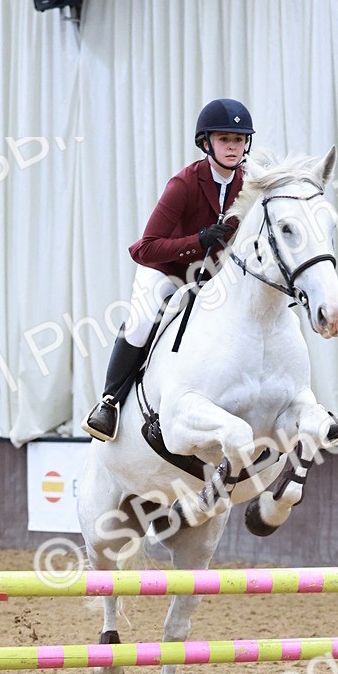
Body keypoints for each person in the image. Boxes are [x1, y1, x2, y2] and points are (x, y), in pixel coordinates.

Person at [83, 98, 255, 441]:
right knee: (143, 316)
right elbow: (146, 247)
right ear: (206, 143)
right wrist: (198, 240)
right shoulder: (184, 184)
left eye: (239, 140)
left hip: (217, 274)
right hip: (167, 269)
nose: (233, 147)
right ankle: (109, 402)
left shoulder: (251, 183)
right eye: (225, 139)